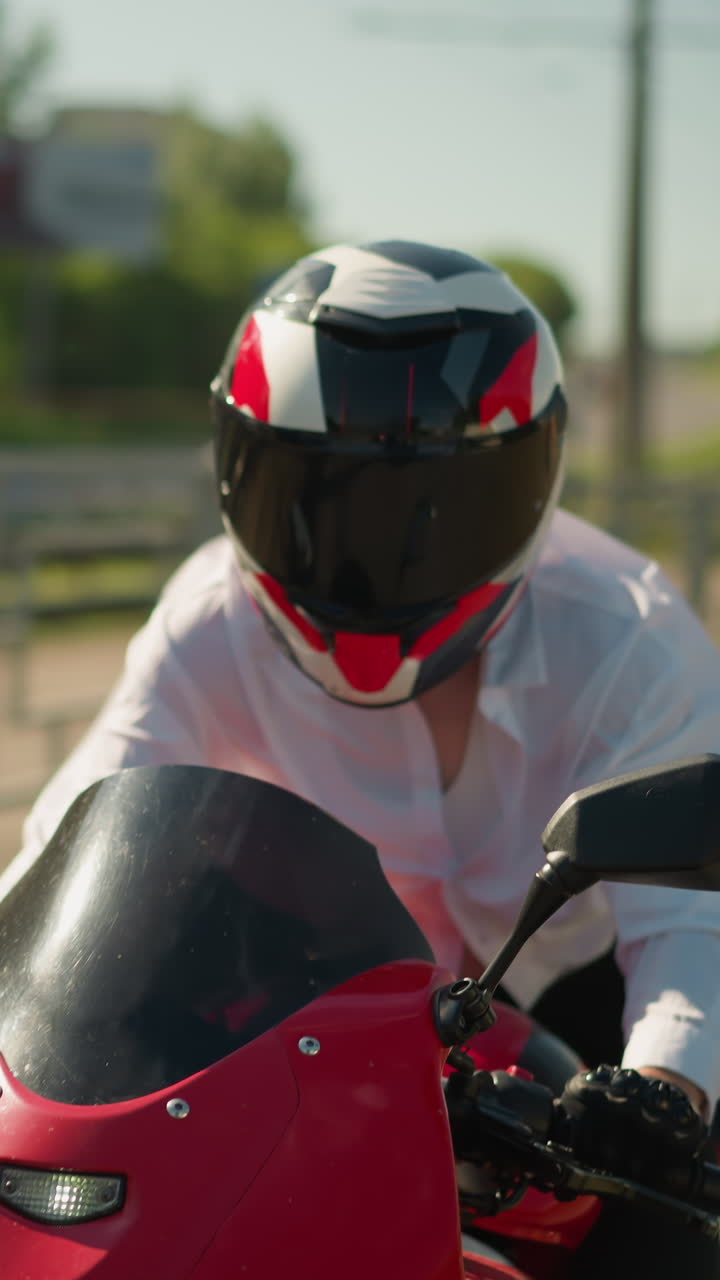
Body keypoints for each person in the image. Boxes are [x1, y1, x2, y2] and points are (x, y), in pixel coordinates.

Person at [3, 240, 720, 1266]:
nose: (372, 555)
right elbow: (72, 831)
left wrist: (662, 1087)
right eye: (318, 505)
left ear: (531, 479)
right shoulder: (211, 620)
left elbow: (693, 932)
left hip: (590, 1021)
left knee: (669, 1238)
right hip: (342, 1014)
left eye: (427, 510)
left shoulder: (629, 635)